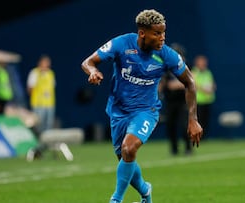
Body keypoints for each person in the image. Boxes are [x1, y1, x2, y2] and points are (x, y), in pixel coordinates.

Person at [81, 9, 203, 203]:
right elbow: (88, 62)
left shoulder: (166, 54)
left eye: (164, 32)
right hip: (118, 111)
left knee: (129, 149)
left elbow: (190, 82)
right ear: (142, 33)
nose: (162, 38)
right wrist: (93, 71)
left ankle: (116, 199)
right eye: (157, 33)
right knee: (125, 158)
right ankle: (145, 191)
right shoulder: (122, 44)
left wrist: (193, 119)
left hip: (146, 111)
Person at [159, 43, 192, 156]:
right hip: (170, 101)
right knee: (170, 125)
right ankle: (174, 149)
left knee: (184, 125)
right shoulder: (166, 67)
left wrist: (176, 84)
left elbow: (189, 83)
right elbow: (164, 84)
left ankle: (188, 148)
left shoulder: (186, 66)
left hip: (183, 100)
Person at [27, 54, 56, 136]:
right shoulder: (34, 73)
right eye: (45, 62)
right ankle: (38, 140)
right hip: (38, 104)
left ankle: (47, 141)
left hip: (49, 104)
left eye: (48, 63)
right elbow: (30, 88)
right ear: (40, 63)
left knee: (48, 124)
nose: (47, 65)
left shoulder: (51, 73)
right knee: (38, 125)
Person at [191, 55, 216, 139]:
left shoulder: (208, 72)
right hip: (198, 101)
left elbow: (212, 83)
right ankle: (197, 136)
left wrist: (212, 88)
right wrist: (204, 90)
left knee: (206, 120)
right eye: (201, 62)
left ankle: (204, 137)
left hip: (208, 100)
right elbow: (194, 84)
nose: (203, 64)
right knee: (198, 120)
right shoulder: (194, 72)